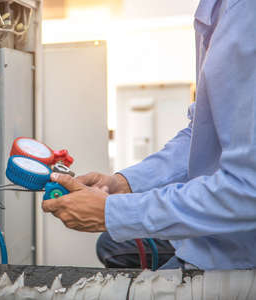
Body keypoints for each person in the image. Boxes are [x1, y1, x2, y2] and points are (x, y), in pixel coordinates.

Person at [42, 0, 256, 270]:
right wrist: (124, 184)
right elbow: (202, 131)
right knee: (111, 244)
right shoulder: (220, 9)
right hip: (227, 222)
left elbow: (247, 190)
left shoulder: (246, 16)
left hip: (242, 244)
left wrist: (114, 213)